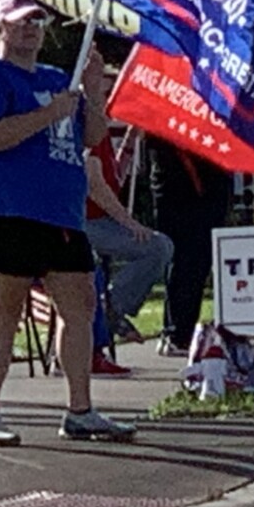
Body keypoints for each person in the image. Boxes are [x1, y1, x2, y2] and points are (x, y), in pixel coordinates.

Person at [0, 0, 135, 447]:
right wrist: (46, 113)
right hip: (5, 207)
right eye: (20, 21)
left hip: (60, 212)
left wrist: (91, 90)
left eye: (37, 21)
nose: (31, 27)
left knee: (81, 306)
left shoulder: (57, 78)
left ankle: (80, 409)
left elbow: (91, 136)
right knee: (3, 309)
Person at [84, 121, 173, 373]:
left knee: (160, 246)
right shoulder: (86, 127)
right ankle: (111, 307)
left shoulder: (101, 135)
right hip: (83, 221)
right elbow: (94, 185)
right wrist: (130, 223)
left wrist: (130, 142)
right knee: (156, 247)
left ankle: (112, 306)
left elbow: (114, 181)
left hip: (99, 221)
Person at [146, 136, 231, 356]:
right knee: (187, 262)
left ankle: (177, 331)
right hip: (188, 188)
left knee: (191, 264)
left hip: (198, 185)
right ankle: (177, 334)